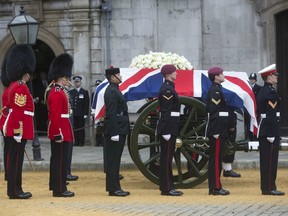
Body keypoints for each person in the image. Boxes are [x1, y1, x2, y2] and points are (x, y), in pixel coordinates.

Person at [3, 44, 36, 199]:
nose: (30, 76)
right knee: (16, 162)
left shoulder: (14, 86)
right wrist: (17, 131)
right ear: (25, 72)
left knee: (15, 160)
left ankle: (15, 189)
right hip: (18, 129)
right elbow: (18, 111)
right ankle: (15, 191)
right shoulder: (20, 87)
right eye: (28, 73)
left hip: (18, 128)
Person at [47, 53, 75, 197]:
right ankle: (59, 189)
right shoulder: (57, 93)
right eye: (66, 77)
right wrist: (58, 133)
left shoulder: (59, 91)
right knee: (60, 161)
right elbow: (56, 115)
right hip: (61, 131)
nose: (67, 80)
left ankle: (57, 185)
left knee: (59, 159)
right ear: (61, 77)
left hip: (63, 129)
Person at [205, 66, 233, 196]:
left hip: (219, 129)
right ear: (216, 77)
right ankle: (215, 188)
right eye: (221, 74)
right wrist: (216, 131)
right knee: (215, 160)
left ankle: (215, 186)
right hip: (217, 130)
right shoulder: (215, 91)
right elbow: (214, 112)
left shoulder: (217, 89)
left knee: (216, 159)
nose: (223, 75)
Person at [256, 64, 284, 196]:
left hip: (266, 129)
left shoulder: (265, 90)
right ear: (269, 77)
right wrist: (272, 133)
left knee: (267, 160)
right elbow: (271, 114)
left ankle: (267, 187)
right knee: (270, 161)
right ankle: (269, 187)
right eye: (274, 75)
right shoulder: (270, 92)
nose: (276, 77)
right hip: (269, 130)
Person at [157, 64, 183, 196]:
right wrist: (166, 131)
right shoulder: (167, 90)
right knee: (166, 159)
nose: (176, 74)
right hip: (168, 128)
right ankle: (166, 188)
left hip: (171, 127)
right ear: (168, 74)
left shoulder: (169, 87)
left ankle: (168, 186)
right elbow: (166, 112)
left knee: (167, 158)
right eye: (174, 72)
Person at [104, 67, 130, 197]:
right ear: (113, 77)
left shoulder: (114, 89)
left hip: (119, 127)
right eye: (118, 74)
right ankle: (113, 188)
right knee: (113, 160)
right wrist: (114, 132)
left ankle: (115, 187)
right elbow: (111, 113)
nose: (121, 76)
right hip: (116, 129)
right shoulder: (111, 91)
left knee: (116, 160)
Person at [70, 75, 89, 147]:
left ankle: (81, 141)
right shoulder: (72, 92)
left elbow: (86, 103)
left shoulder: (84, 92)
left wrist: (85, 113)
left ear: (80, 82)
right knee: (75, 128)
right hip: (74, 113)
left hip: (81, 113)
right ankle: (76, 141)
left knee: (81, 128)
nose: (76, 83)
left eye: (78, 82)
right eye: (75, 82)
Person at [222, 108, 241, 178]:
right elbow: (230, 110)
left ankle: (227, 168)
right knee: (230, 145)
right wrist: (231, 125)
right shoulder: (230, 100)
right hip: (228, 121)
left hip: (224, 120)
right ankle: (227, 168)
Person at [0, 58, 10, 181]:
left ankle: (8, 171)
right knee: (9, 150)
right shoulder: (9, 91)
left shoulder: (7, 90)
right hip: (8, 121)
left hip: (5, 120)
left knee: (7, 148)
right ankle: (9, 171)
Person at [247, 72, 262, 141]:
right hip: (248, 108)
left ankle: (256, 137)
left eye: (253, 79)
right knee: (248, 123)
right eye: (251, 79)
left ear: (255, 80)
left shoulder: (259, 88)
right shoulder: (247, 87)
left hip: (256, 109)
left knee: (256, 123)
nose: (252, 80)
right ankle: (249, 137)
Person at [91, 79, 104, 147]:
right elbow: (92, 104)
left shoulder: (102, 93)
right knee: (97, 128)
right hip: (95, 113)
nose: (97, 86)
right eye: (96, 85)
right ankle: (98, 142)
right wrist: (92, 112)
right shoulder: (94, 94)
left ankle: (103, 142)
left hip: (102, 113)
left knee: (103, 127)